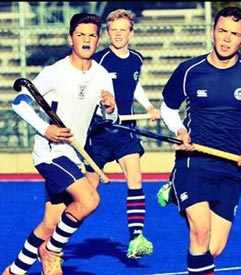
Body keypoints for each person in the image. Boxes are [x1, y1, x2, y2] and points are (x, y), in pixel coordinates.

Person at [157, 6, 241, 275]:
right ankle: (180, 188)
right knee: (200, 232)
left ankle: (177, 195)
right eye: (222, 31)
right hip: (193, 161)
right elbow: (167, 107)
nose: (226, 38)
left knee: (214, 247)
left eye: (234, 34)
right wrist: (179, 131)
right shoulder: (190, 70)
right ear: (213, 31)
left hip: (232, 166)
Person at [2, 13, 117, 275]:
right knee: (89, 200)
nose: (86, 40)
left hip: (76, 155)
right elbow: (19, 103)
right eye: (81, 35)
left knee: (50, 223)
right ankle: (52, 252)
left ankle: (15, 271)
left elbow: (112, 117)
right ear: (71, 38)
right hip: (51, 153)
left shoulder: (101, 75)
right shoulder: (54, 72)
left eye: (92, 35)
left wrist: (110, 108)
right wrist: (46, 128)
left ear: (98, 40)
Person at [84, 9, 159, 259]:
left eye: (123, 30)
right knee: (86, 194)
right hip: (100, 132)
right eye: (113, 30)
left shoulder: (137, 58)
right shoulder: (99, 60)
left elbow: (134, 84)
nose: (118, 35)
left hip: (126, 131)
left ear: (131, 33)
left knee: (135, 179)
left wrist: (148, 106)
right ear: (107, 33)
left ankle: (136, 238)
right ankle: (54, 240)